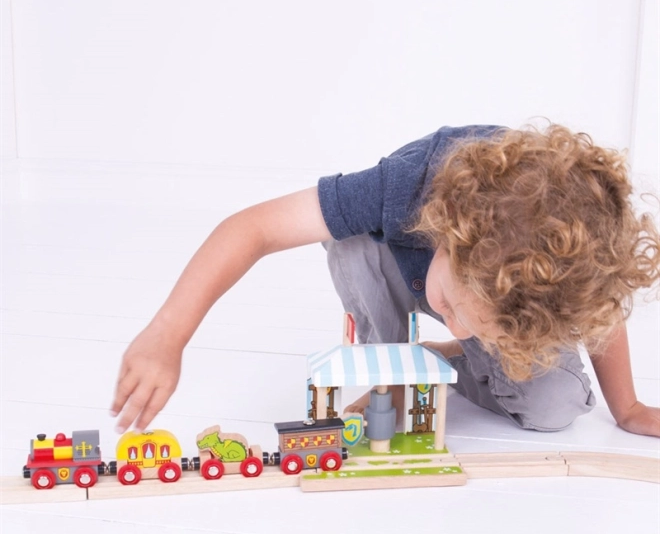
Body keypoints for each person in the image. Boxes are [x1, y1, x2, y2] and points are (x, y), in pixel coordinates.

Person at [110, 123, 660, 437]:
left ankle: (437, 362)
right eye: (454, 310)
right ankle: (392, 373)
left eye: (475, 328)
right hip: (396, 268)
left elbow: (601, 306)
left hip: (498, 291)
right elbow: (253, 229)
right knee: (349, 240)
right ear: (451, 230)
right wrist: (168, 333)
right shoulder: (403, 184)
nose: (459, 326)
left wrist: (628, 407)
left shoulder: (566, 269)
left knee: (554, 407)